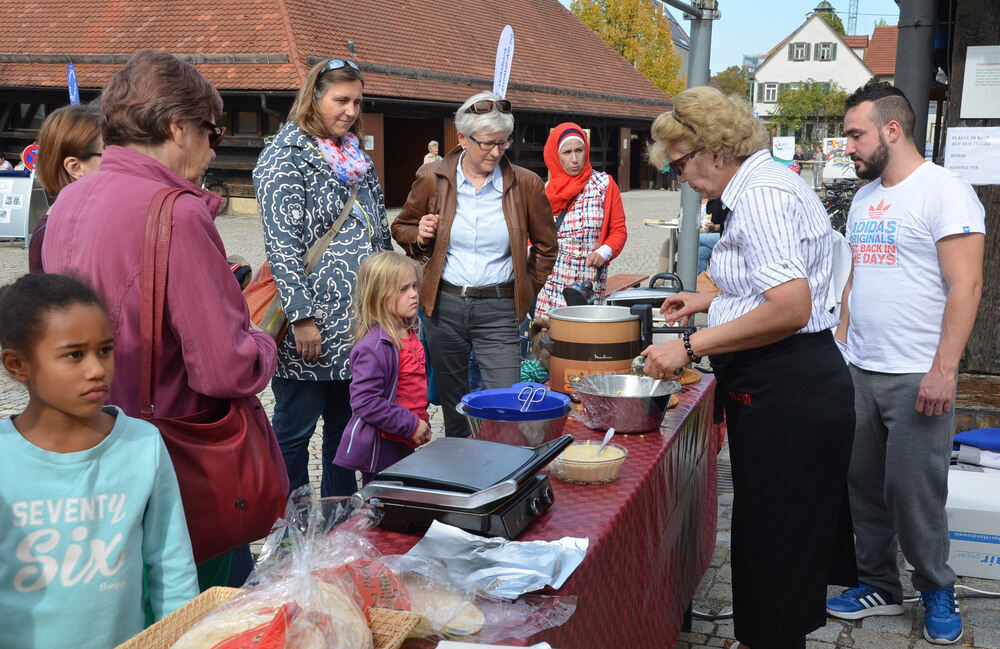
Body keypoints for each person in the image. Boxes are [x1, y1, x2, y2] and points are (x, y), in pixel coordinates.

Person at [42, 49, 285, 589]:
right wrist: (263, 339)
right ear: (179, 127)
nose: (211, 150)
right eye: (212, 133)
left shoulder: (68, 202)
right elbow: (225, 370)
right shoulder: (176, 211)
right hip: (171, 465)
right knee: (199, 615)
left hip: (89, 452)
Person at [641, 86, 856, 649]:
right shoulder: (770, 182)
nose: (680, 177)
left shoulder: (757, 196)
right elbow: (773, 287)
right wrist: (709, 300)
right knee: (775, 533)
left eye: (681, 163)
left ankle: (771, 638)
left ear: (715, 150)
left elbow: (790, 307)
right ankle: (767, 635)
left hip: (787, 384)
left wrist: (690, 348)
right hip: (796, 380)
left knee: (776, 539)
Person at [825, 82, 985, 645]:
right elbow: (855, 278)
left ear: (892, 130)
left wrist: (945, 369)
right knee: (862, 484)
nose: (847, 145)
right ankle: (879, 586)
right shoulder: (866, 198)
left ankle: (938, 587)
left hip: (918, 371)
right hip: (860, 368)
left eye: (855, 133)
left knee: (913, 491)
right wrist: (842, 343)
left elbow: (966, 284)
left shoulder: (945, 191)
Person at [0, 273, 199, 648]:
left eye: (104, 350)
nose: (96, 369)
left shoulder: (142, 445)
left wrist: (183, 638)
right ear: (17, 365)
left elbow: (171, 566)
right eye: (74, 354)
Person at [254, 57, 392, 497]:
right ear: (314, 97)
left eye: (357, 101)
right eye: (341, 100)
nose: (351, 111)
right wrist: (300, 317)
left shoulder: (356, 157)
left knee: (345, 432)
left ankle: (338, 521)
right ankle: (289, 525)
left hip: (358, 324)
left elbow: (380, 233)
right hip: (311, 327)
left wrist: (390, 298)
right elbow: (283, 244)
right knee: (294, 433)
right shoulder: (285, 156)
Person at [392, 91, 557, 437]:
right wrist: (419, 235)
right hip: (445, 306)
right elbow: (401, 226)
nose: (497, 152)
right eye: (488, 144)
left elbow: (546, 246)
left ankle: (507, 478)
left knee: (508, 407)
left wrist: (525, 290)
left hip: (500, 307)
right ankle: (463, 479)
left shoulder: (526, 184)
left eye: (503, 143)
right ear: (463, 139)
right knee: (456, 409)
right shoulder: (433, 178)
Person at [334, 251, 432, 482]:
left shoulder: (408, 331)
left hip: (403, 439)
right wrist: (410, 424)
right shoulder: (374, 346)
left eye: (415, 286)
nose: (414, 295)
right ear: (378, 296)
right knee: (383, 507)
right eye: (403, 289)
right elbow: (365, 401)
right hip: (383, 446)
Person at [532, 122, 626, 321]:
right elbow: (531, 236)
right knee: (549, 346)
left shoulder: (604, 185)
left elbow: (618, 230)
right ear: (555, 156)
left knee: (583, 344)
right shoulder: (544, 191)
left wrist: (604, 251)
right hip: (550, 285)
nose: (574, 159)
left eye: (579, 150)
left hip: (587, 287)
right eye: (567, 152)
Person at [29, 103, 104, 273]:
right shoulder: (51, 233)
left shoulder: (81, 219)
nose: (120, 160)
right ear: (75, 167)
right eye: (109, 153)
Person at [697, 197, 726, 275]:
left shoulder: (720, 200)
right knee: (701, 251)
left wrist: (715, 227)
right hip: (713, 235)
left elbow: (730, 225)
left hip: (726, 236)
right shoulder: (692, 199)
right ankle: (698, 282)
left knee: (693, 239)